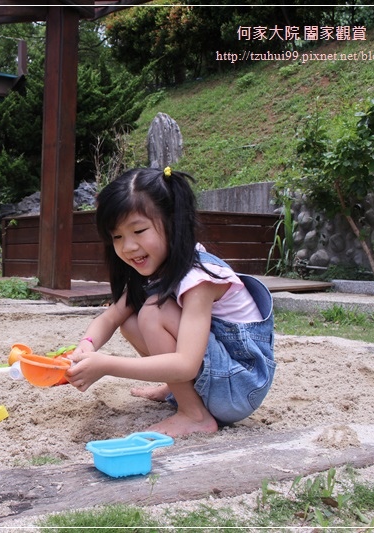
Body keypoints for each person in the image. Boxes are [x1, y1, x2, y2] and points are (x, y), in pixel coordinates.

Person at [65, 166, 276, 437]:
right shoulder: (158, 270)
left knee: (153, 313)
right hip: (219, 378)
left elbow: (187, 363)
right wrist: (87, 346)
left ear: (172, 222)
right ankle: (177, 389)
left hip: (239, 387)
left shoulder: (199, 280)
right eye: (117, 237)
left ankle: (194, 414)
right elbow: (110, 317)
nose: (127, 246)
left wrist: (105, 365)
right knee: (130, 321)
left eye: (138, 231)